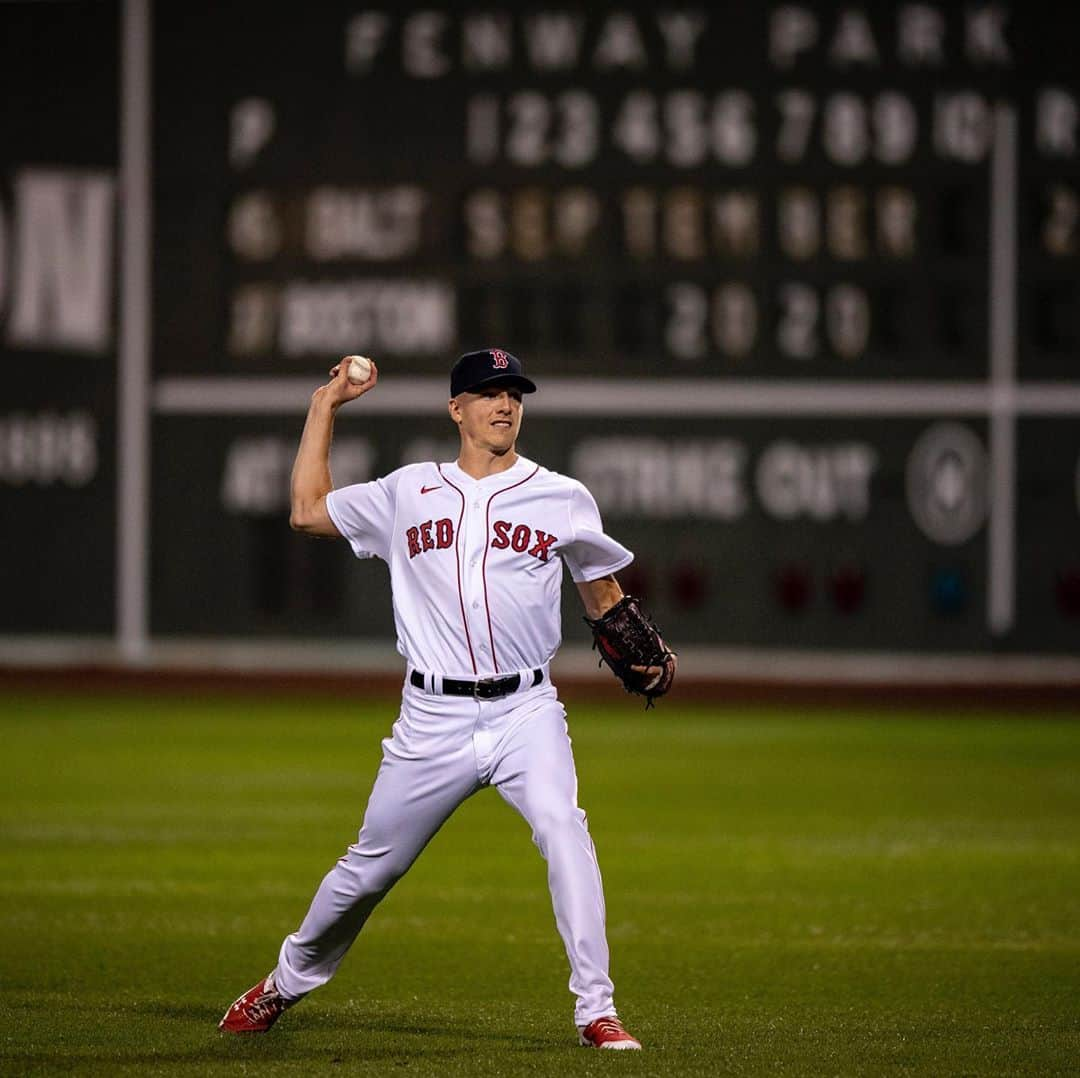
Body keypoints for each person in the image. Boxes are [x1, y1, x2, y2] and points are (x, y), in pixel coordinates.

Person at [219, 348, 676, 1050]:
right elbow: (307, 511)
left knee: (564, 828)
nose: (504, 404)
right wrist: (324, 406)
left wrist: (628, 635)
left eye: (513, 392)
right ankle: (283, 982)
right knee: (371, 870)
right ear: (456, 409)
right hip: (432, 718)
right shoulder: (408, 492)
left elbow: (602, 594)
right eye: (488, 393)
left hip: (526, 710)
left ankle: (597, 1010)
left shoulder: (561, 494)